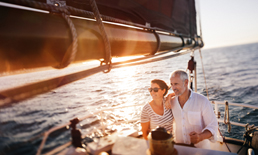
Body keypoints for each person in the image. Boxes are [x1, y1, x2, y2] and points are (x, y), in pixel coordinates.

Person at [166, 70, 218, 149]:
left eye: (176, 84)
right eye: (171, 84)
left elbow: (213, 126)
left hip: (201, 151)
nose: (173, 88)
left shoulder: (202, 101)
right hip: (180, 149)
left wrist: (200, 137)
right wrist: (168, 97)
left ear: (186, 82)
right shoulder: (171, 102)